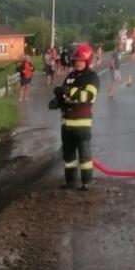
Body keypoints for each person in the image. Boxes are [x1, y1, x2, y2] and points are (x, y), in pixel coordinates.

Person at [48, 41, 100, 191]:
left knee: (84, 156)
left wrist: (68, 92)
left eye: (81, 61)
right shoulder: (70, 76)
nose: (77, 64)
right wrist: (56, 101)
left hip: (82, 124)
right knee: (68, 157)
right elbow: (64, 95)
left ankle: (86, 182)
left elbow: (89, 96)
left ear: (87, 61)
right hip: (67, 125)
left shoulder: (92, 77)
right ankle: (70, 182)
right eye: (76, 61)